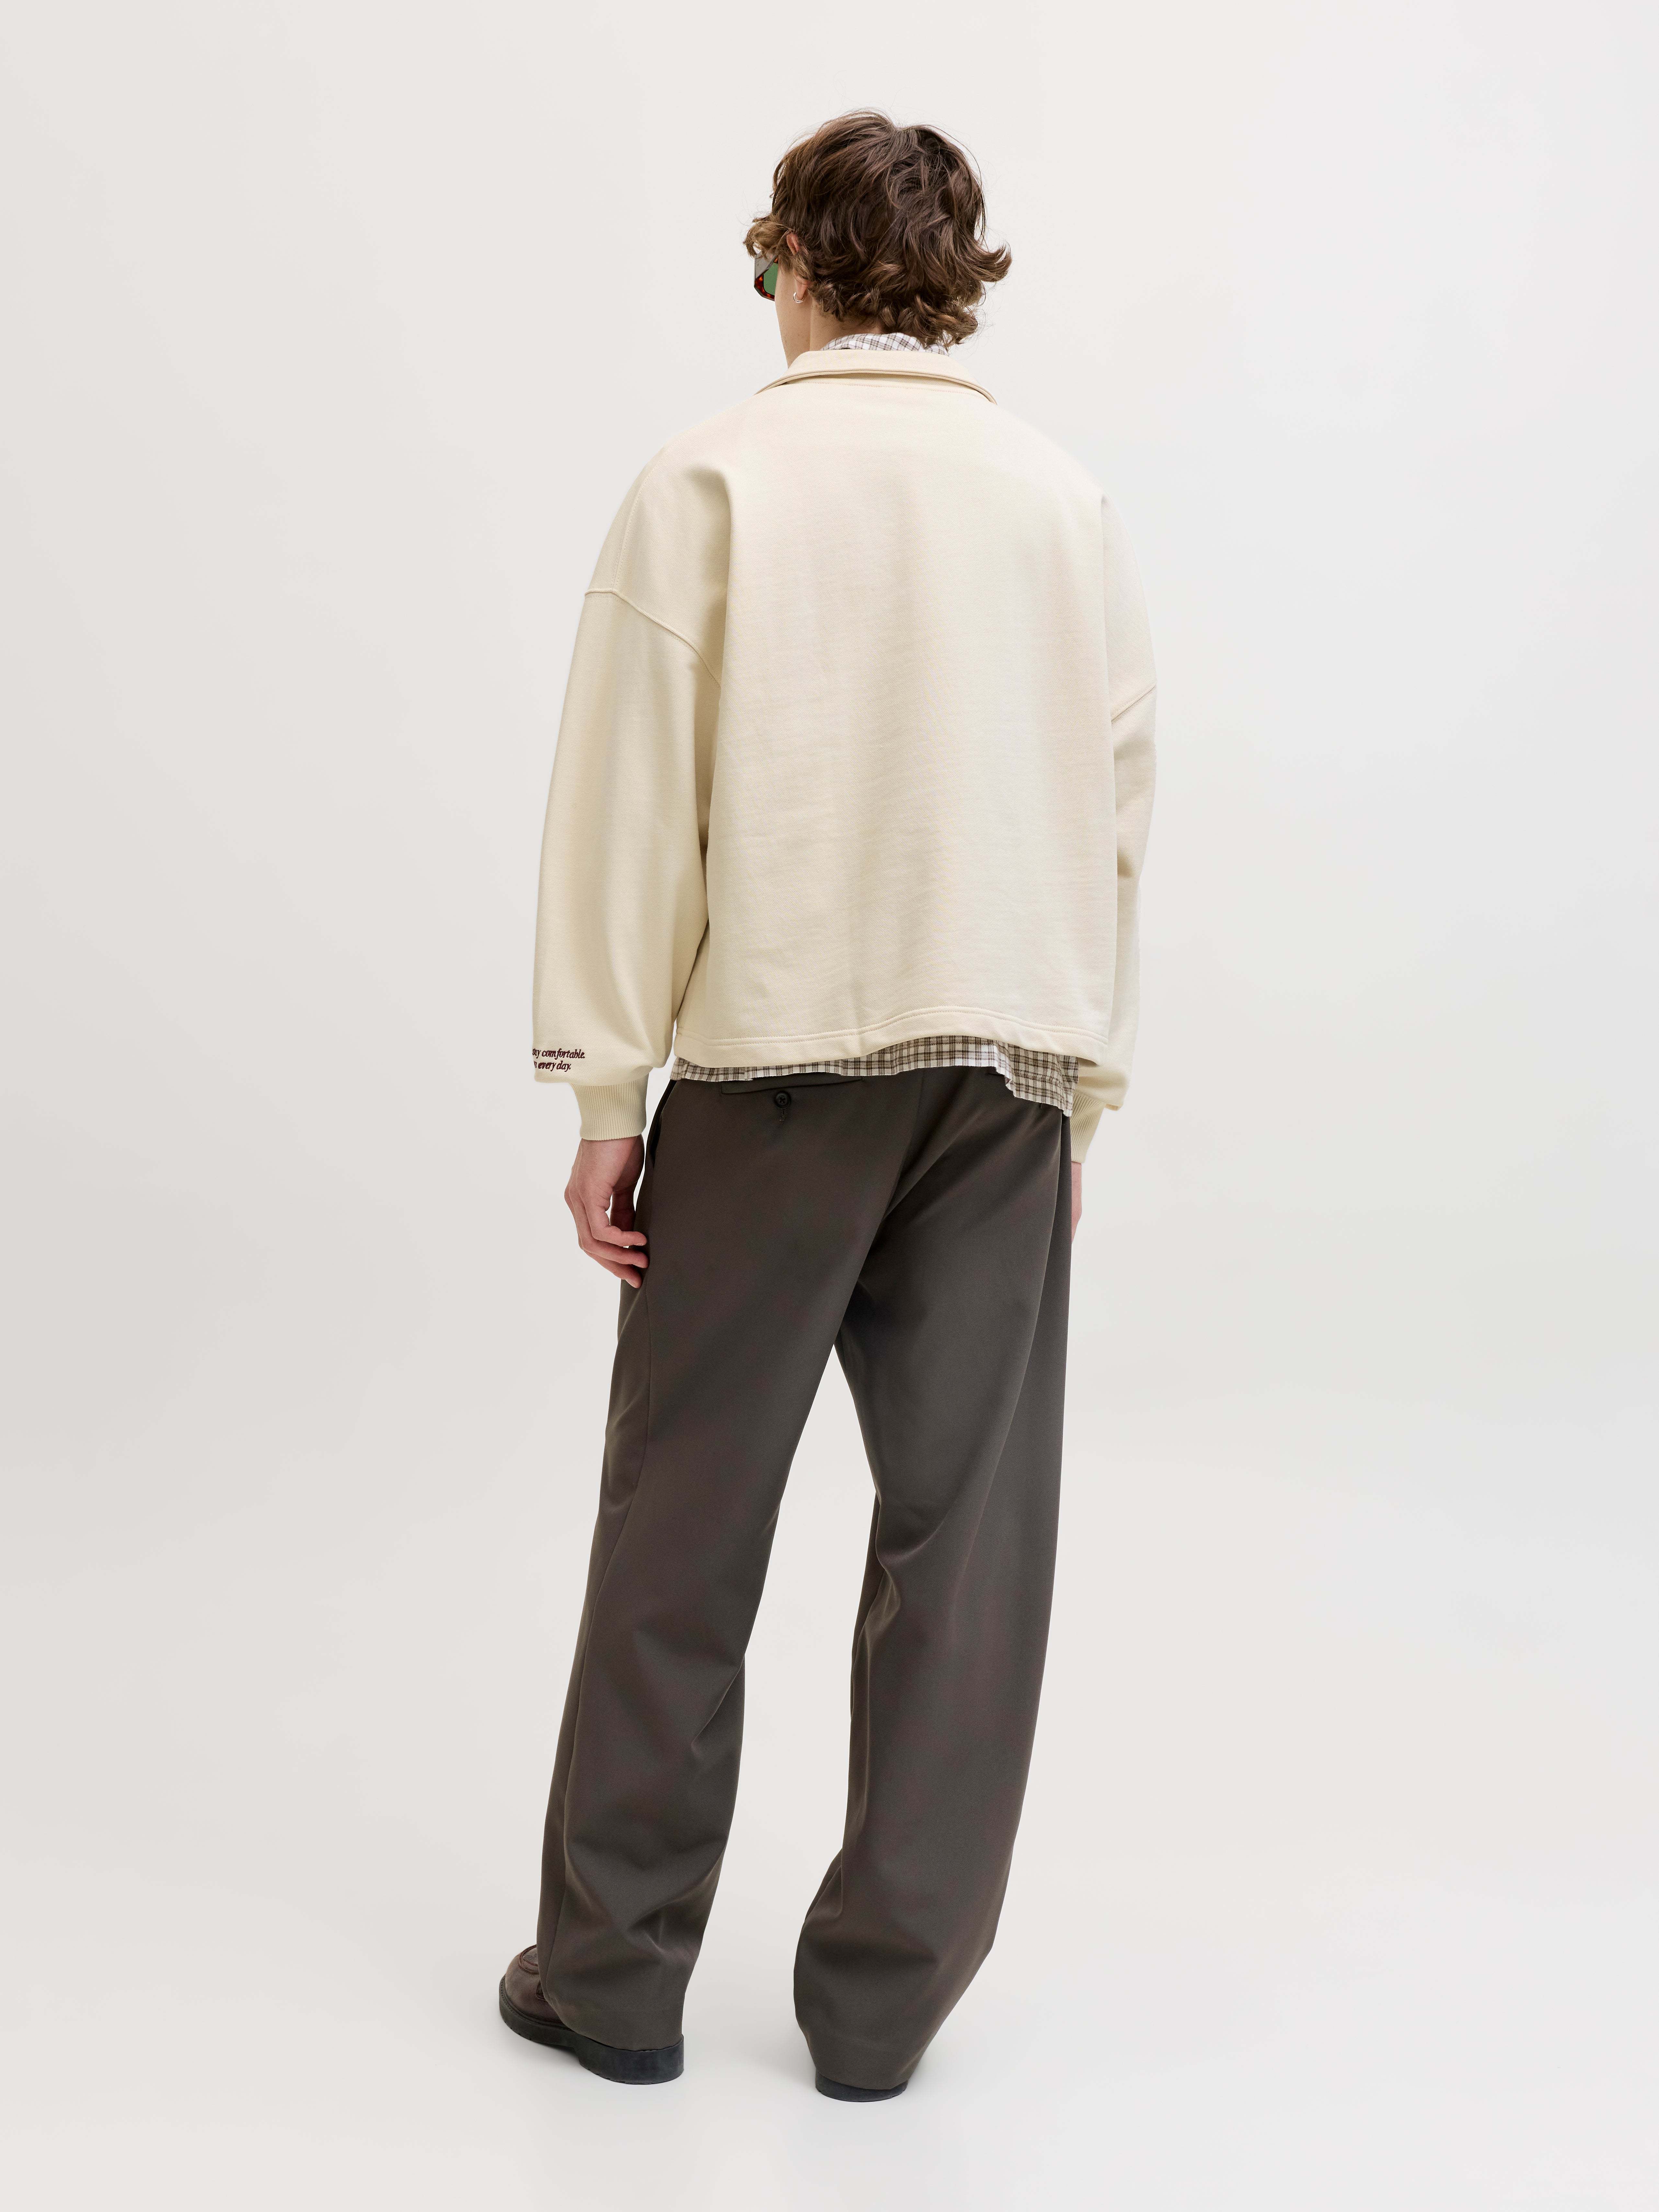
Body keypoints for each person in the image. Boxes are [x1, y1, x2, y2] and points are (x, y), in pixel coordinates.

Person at [498, 110, 1156, 2101]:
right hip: (1001, 1076)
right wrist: (1080, 1094)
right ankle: (878, 2019)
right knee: (967, 1553)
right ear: (956, 284)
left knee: (683, 1531)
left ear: (789, 259)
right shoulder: (1061, 501)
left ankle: (612, 1980)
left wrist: (605, 1092)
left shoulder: (710, 477)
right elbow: (1113, 813)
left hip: (776, 1068)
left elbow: (631, 804)